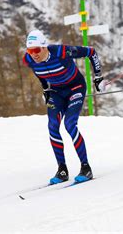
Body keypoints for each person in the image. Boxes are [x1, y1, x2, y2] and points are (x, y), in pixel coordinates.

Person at [22, 29, 105, 184]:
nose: (34, 54)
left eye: (36, 50)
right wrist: (46, 89)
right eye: (30, 50)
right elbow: (39, 74)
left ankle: (86, 168)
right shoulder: (29, 60)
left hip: (75, 88)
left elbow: (91, 52)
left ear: (44, 47)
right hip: (56, 92)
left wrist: (98, 76)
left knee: (69, 124)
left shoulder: (62, 52)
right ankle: (62, 170)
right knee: (53, 126)